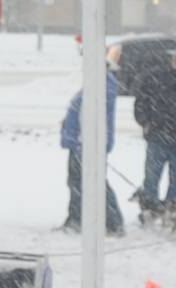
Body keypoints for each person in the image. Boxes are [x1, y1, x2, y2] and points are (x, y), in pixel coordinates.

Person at [59, 66, 125, 235]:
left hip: (87, 144)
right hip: (80, 143)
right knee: (77, 182)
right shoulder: (94, 85)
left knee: (93, 183)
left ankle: (112, 222)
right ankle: (77, 218)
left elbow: (91, 116)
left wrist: (84, 139)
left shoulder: (102, 87)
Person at [136, 44, 176, 223]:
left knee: (164, 177)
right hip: (157, 135)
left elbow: (141, 102)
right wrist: (145, 121)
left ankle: (170, 208)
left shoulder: (153, 77)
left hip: (160, 133)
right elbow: (141, 103)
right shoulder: (155, 78)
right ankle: (152, 208)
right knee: (152, 176)